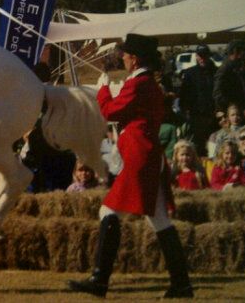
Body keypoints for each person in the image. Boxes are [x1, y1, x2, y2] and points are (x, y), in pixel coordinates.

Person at [69, 33, 193, 299]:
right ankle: (181, 283)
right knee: (159, 219)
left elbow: (110, 112)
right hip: (147, 154)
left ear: (134, 59)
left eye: (125, 55)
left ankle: (99, 279)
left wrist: (103, 90)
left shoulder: (137, 84)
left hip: (139, 156)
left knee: (108, 211)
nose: (122, 58)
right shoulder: (144, 83)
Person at [179, 44, 217, 156]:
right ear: (196, 56)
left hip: (213, 117)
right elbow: (183, 96)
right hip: (196, 117)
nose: (202, 58)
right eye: (200, 55)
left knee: (213, 147)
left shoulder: (216, 72)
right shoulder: (189, 73)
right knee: (197, 148)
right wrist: (185, 114)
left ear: (209, 56)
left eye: (205, 55)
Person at [213, 40, 245, 116]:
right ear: (235, 52)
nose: (243, 55)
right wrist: (238, 109)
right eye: (242, 52)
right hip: (232, 115)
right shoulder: (225, 69)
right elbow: (217, 95)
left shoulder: (237, 67)